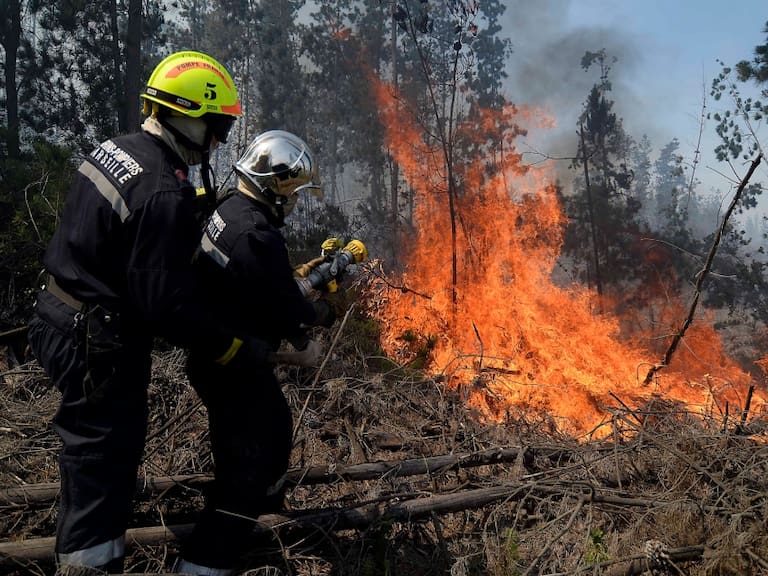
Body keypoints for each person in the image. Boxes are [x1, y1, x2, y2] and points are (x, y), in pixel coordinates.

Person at [26, 50, 267, 575]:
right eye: (219, 127)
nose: (219, 141)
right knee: (102, 459)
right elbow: (166, 307)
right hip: (96, 341)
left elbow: (124, 234)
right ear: (189, 116)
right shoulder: (161, 189)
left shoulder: (118, 149)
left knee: (92, 451)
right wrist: (232, 346)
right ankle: (89, 565)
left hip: (58, 310)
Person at [173, 130, 362, 575]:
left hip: (218, 353)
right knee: (249, 466)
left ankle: (262, 524)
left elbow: (257, 285)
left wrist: (299, 278)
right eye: (292, 193)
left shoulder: (228, 208)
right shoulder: (257, 234)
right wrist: (323, 311)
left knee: (271, 428)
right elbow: (287, 310)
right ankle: (206, 560)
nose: (293, 202)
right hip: (232, 363)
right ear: (274, 187)